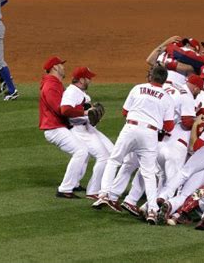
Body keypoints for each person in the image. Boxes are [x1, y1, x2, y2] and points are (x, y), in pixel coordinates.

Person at [92, 65, 175, 225]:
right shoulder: (167, 97)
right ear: (164, 80)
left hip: (131, 128)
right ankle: (152, 211)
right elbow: (170, 126)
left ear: (151, 77)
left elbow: (125, 112)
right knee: (149, 173)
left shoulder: (138, 88)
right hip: (150, 133)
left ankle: (103, 195)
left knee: (114, 161)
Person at [39, 56, 89, 199]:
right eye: (61, 65)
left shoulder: (55, 83)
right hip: (54, 128)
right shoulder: (51, 86)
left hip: (59, 126)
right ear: (55, 67)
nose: (63, 67)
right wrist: (83, 111)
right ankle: (65, 189)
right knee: (81, 151)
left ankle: (74, 183)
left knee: (84, 148)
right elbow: (61, 110)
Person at [60, 66, 111, 200]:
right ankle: (93, 191)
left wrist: (91, 111)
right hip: (79, 129)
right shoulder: (72, 92)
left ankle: (103, 186)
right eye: (88, 78)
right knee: (104, 156)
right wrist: (86, 112)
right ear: (81, 79)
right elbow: (65, 110)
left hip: (87, 128)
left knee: (112, 152)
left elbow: (83, 109)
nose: (90, 80)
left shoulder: (79, 92)